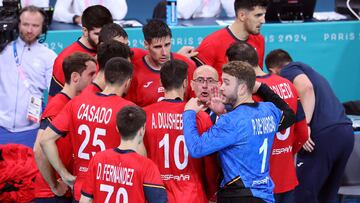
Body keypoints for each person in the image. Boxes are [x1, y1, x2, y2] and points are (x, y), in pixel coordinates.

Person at [183, 61, 296, 203]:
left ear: (242, 88)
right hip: (265, 196)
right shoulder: (269, 110)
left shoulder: (231, 121)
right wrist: (261, 88)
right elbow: (290, 115)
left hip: (237, 195)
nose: (221, 87)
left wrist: (189, 113)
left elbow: (196, 148)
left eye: (227, 83)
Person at [40, 57, 137, 202]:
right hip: (113, 192)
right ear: (128, 81)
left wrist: (64, 174)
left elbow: (45, 140)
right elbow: (137, 156)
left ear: (104, 77)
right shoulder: (128, 110)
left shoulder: (76, 103)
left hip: (82, 191)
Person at [265, 49, 354, 203]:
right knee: (327, 196)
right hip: (345, 133)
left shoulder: (288, 71)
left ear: (273, 71)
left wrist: (304, 125)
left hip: (324, 136)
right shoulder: (310, 71)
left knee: (303, 195)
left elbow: (306, 88)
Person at [226, 42, 308, 202]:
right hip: (287, 177)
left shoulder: (246, 94)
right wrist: (285, 155)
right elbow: (303, 133)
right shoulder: (288, 85)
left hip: (259, 184)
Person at [143, 60, 218, 202]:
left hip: (156, 196)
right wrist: (212, 193)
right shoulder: (201, 117)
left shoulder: (145, 115)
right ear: (185, 83)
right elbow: (209, 164)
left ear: (160, 82)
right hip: (192, 195)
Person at [33, 52, 97, 203]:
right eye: (91, 74)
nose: (95, 78)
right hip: (52, 194)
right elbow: (38, 149)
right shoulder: (58, 105)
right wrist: (56, 184)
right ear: (75, 77)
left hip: (65, 191)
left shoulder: (74, 104)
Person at [79, 106, 167, 203]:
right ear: (142, 130)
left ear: (117, 128)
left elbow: (85, 200)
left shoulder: (98, 159)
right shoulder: (147, 167)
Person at [0, 6, 57, 148]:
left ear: (43, 28)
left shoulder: (49, 57)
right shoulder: (3, 51)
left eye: (35, 25)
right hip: (1, 128)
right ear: (18, 24)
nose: (30, 30)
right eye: (25, 24)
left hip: (31, 132)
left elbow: (55, 95)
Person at [125, 19, 196, 107]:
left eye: (167, 45)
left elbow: (195, 105)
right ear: (146, 45)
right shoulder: (134, 72)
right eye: (157, 47)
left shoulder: (188, 66)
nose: (164, 53)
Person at [48, 5, 113, 100]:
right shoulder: (65, 59)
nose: (103, 38)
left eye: (106, 33)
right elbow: (56, 102)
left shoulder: (112, 51)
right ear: (85, 31)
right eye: (97, 34)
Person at [194, 0, 268, 78]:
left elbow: (258, 79)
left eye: (263, 15)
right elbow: (197, 82)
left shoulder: (259, 39)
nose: (263, 21)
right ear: (242, 15)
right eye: (258, 15)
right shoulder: (212, 43)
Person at [53, 0, 127, 24]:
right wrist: (76, 18)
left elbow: (119, 13)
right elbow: (57, 12)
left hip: (106, 31)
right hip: (80, 31)